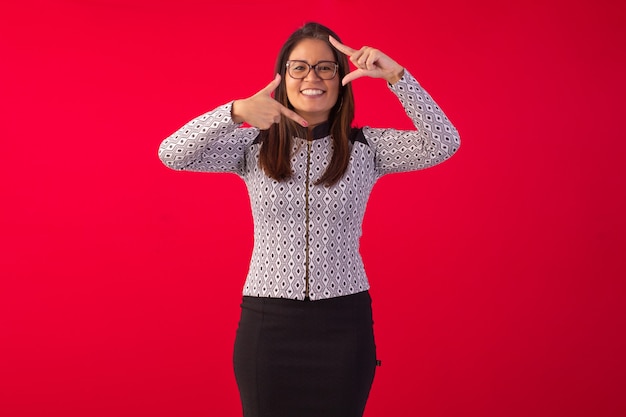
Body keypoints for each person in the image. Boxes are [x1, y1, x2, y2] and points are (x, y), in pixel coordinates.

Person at [158, 22, 460, 417]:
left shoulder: (367, 148)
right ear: (283, 78)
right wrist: (234, 112)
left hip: (343, 322)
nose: (311, 77)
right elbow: (171, 153)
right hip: (268, 324)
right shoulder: (253, 146)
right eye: (298, 67)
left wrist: (397, 78)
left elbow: (443, 142)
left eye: (325, 67)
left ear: (342, 78)